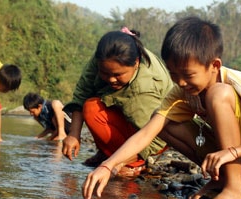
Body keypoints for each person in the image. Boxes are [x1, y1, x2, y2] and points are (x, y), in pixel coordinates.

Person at [82, 17, 241, 199]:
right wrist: (108, 166)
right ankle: (223, 179)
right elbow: (147, 133)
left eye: (188, 75)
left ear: (214, 65)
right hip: (229, 158)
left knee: (218, 94)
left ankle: (235, 190)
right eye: (174, 75)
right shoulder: (182, 92)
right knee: (162, 122)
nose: (181, 82)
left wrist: (233, 152)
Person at [62, 27, 173, 177]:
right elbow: (83, 92)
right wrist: (74, 134)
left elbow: (156, 137)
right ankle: (108, 152)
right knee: (91, 107)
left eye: (118, 74)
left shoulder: (144, 89)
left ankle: (135, 163)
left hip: (157, 133)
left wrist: (117, 162)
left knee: (120, 166)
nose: (111, 79)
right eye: (105, 73)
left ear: (136, 63)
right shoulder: (104, 57)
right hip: (125, 114)